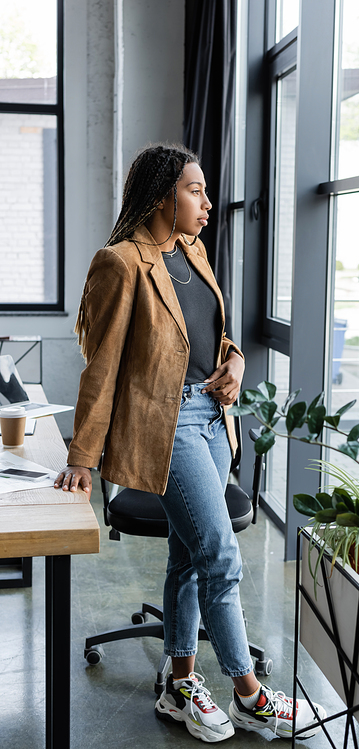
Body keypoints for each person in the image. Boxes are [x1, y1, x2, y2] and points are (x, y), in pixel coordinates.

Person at [54, 143, 325, 743]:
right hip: (167, 426)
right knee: (221, 557)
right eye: (194, 191)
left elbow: (213, 335)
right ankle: (250, 694)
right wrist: (81, 458)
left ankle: (180, 687)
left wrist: (236, 361)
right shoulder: (120, 263)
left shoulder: (194, 252)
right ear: (161, 198)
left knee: (188, 556)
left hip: (213, 421)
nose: (206, 203)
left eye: (203, 191)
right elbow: (101, 366)